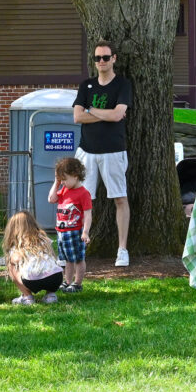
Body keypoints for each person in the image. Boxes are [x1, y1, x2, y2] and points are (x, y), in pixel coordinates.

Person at [72, 40, 132, 267]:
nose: (102, 62)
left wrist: (91, 110)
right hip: (86, 151)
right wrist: (105, 113)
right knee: (80, 200)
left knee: (120, 198)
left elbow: (118, 115)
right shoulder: (86, 85)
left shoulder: (122, 85)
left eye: (106, 57)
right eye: (98, 58)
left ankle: (122, 250)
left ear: (114, 58)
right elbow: (77, 117)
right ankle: (76, 247)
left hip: (113, 151)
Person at [48, 157, 92, 293]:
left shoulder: (84, 193)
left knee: (78, 258)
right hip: (62, 232)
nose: (63, 182)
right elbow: (51, 199)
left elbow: (88, 214)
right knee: (68, 260)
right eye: (61, 179)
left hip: (75, 232)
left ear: (75, 176)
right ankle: (67, 282)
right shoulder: (64, 190)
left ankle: (77, 283)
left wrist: (85, 232)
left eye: (64, 179)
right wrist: (57, 182)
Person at [1, 211, 64, 305]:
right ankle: (51, 295)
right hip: (56, 278)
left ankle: (27, 297)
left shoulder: (18, 244)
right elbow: (52, 255)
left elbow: (15, 259)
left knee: (11, 265)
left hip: (32, 280)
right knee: (51, 264)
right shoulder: (43, 239)